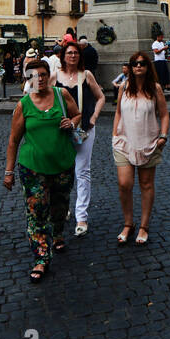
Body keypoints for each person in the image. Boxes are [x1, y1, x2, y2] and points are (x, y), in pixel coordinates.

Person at [3, 59, 78, 282]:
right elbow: (14, 140)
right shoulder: (23, 105)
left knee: (60, 205)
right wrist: (8, 172)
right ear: (29, 79)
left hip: (63, 163)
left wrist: (71, 123)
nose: (40, 79)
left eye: (43, 74)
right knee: (36, 212)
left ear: (49, 75)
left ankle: (57, 233)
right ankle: (41, 257)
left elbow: (77, 114)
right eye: (35, 76)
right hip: (33, 167)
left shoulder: (61, 95)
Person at [112, 51, 169, 245]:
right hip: (124, 142)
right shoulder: (124, 87)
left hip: (148, 141)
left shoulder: (155, 89)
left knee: (146, 184)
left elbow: (165, 114)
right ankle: (128, 223)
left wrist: (163, 136)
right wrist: (114, 135)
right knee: (124, 183)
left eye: (142, 63)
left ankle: (143, 226)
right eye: (135, 63)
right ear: (130, 66)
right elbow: (118, 112)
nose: (138, 66)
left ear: (147, 67)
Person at [54, 42, 105, 236]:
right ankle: (63, 208)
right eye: (69, 53)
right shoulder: (54, 75)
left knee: (82, 171)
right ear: (63, 56)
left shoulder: (87, 75)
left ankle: (81, 216)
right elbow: (35, 95)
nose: (73, 56)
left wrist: (94, 116)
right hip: (60, 131)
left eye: (76, 53)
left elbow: (100, 97)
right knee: (61, 172)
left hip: (84, 130)